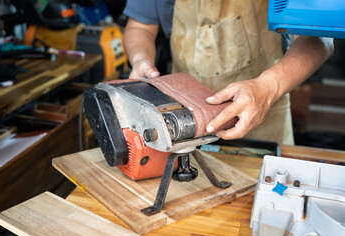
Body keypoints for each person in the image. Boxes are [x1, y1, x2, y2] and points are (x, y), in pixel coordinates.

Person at [122, 0, 334, 145]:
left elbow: (318, 37)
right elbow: (140, 27)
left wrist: (269, 87)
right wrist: (141, 60)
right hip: (183, 124)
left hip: (265, 123)